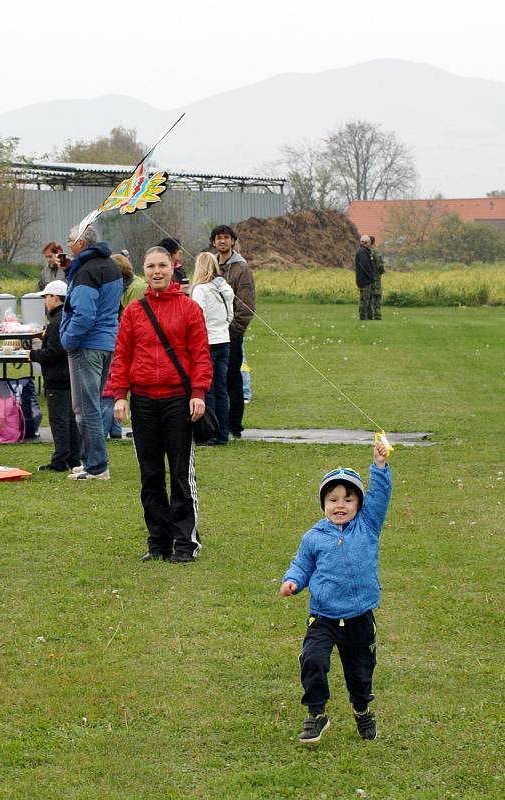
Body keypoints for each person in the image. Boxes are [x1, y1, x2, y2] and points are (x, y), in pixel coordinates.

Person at [280, 440, 391, 744]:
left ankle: (361, 709)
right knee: (312, 660)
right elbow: (301, 565)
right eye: (333, 499)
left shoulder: (367, 527)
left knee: (360, 673)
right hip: (323, 616)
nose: (340, 505)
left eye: (348, 500)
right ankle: (316, 713)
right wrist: (293, 581)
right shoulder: (313, 537)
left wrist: (379, 466)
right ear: (324, 504)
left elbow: (380, 496)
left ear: (359, 505)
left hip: (359, 618)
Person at [111, 246, 212, 563]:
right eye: (151, 266)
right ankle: (158, 542)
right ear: (144, 270)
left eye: (162, 265)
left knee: (181, 474)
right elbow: (122, 356)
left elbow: (200, 355)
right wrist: (119, 396)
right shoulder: (134, 312)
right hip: (142, 401)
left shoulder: (189, 308)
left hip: (177, 401)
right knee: (150, 474)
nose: (157, 271)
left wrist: (198, 392)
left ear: (173, 268)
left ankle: (185, 543)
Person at [60, 225, 122, 480]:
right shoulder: (111, 266)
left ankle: (97, 466)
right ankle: (88, 460)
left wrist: (67, 339)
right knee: (91, 404)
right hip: (107, 342)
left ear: (82, 243)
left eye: (70, 240)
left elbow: (84, 314)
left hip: (87, 344)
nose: (67, 245)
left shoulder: (86, 271)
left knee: (86, 408)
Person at [28, 280, 81, 472]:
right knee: (70, 420)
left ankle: (59, 461)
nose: (45, 301)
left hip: (57, 378)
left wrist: (32, 355)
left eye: (46, 297)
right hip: (70, 376)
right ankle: (73, 458)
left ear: (56, 298)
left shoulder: (56, 322)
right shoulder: (67, 318)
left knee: (59, 421)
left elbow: (53, 352)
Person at [210, 224, 256, 439]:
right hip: (212, 335)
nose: (222, 241)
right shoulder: (210, 265)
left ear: (233, 241)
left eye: (226, 238)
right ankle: (217, 422)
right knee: (215, 381)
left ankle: (234, 425)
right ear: (213, 242)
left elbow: (246, 306)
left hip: (231, 335)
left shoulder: (241, 268)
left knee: (233, 380)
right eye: (218, 238)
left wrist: (233, 331)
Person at [190, 251, 234, 444]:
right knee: (221, 389)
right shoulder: (224, 287)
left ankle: (211, 431)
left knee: (207, 389)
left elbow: (197, 317)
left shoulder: (200, 289)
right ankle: (223, 432)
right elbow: (230, 315)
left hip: (207, 342)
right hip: (224, 339)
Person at [355, 235, 375, 320]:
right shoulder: (362, 252)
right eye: (369, 243)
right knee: (365, 299)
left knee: (369, 299)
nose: (370, 244)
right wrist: (371, 275)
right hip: (364, 279)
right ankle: (363, 316)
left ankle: (369, 316)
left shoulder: (364, 251)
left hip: (366, 279)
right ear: (365, 243)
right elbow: (364, 265)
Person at [369, 235, 385, 321]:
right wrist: (381, 272)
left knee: (368, 296)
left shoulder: (364, 252)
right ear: (374, 242)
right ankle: (377, 314)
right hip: (375, 278)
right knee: (377, 296)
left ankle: (369, 314)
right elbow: (380, 266)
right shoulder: (376, 252)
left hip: (366, 278)